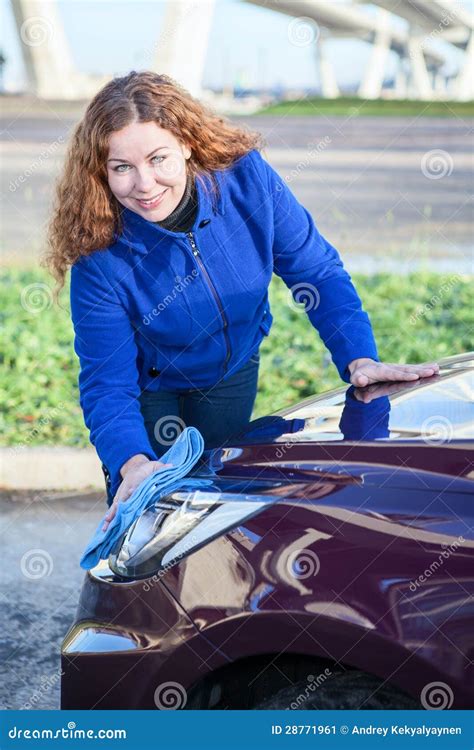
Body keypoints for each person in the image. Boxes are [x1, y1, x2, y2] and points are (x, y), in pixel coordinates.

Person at [45, 71, 439, 531]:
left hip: (230, 370)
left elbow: (316, 271)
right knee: (153, 511)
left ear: (187, 145)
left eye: (158, 159)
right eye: (122, 168)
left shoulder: (247, 179)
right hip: (148, 388)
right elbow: (107, 384)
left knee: (214, 508)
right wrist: (131, 463)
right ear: (102, 171)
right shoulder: (99, 255)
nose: (144, 184)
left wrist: (359, 357)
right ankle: (135, 597)